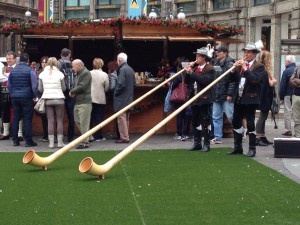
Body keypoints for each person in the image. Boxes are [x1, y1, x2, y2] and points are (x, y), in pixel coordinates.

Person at [226, 42, 264, 157]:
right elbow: (232, 80)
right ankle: (238, 147)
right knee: (236, 121)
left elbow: (254, 80)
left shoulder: (259, 66)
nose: (246, 54)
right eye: (245, 52)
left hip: (251, 98)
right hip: (239, 97)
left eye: (248, 52)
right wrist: (233, 69)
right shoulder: (241, 65)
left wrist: (244, 68)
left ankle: (252, 149)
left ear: (254, 54)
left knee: (251, 122)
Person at [183, 47, 216, 152]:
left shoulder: (210, 68)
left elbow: (204, 80)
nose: (196, 58)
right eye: (196, 56)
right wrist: (188, 72)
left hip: (205, 98)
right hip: (195, 98)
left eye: (198, 56)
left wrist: (192, 72)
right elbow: (188, 82)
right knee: (195, 121)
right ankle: (197, 143)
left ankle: (206, 144)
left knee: (205, 121)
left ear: (204, 58)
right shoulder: (196, 68)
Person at [7, 53, 38, 147]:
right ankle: (28, 141)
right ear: (28, 60)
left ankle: (15, 140)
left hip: (15, 98)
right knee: (27, 119)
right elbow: (34, 85)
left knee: (16, 118)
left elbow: (9, 85)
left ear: (19, 60)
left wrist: (12, 94)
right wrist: (34, 95)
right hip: (27, 97)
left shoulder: (13, 71)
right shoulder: (30, 70)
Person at [210, 46, 237, 144]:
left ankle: (239, 131)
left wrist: (230, 94)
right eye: (217, 52)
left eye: (219, 52)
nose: (217, 53)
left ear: (225, 53)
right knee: (216, 116)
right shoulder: (216, 62)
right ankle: (218, 137)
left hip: (225, 94)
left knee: (230, 116)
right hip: (217, 94)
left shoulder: (230, 63)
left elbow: (232, 81)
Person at [38, 57, 66, 149]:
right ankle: (60, 142)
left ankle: (51, 143)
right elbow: (64, 88)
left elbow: (40, 89)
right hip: (59, 99)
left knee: (50, 121)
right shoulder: (60, 74)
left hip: (47, 99)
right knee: (59, 120)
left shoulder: (42, 74)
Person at [0, 51, 24, 141]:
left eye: (10, 59)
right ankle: (6, 132)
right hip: (5, 92)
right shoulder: (3, 68)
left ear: (15, 59)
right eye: (7, 59)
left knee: (18, 112)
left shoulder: (18, 68)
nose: (8, 60)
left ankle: (19, 133)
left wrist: (8, 76)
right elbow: (1, 79)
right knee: (5, 112)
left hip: (16, 93)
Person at [255, 50, 277, 146]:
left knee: (263, 117)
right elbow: (271, 82)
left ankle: (262, 136)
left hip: (264, 95)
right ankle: (257, 137)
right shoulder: (263, 68)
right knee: (262, 117)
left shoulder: (261, 67)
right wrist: (274, 81)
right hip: (264, 96)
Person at [69, 59, 92, 149]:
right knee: (78, 120)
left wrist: (72, 91)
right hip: (78, 101)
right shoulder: (79, 74)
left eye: (73, 66)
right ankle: (89, 136)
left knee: (84, 122)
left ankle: (85, 142)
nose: (72, 68)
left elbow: (82, 86)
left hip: (84, 101)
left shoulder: (86, 73)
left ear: (79, 65)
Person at [114, 53, 135, 143]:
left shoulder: (122, 70)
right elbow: (134, 84)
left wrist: (115, 92)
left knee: (121, 118)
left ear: (119, 61)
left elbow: (121, 84)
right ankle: (125, 136)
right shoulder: (130, 69)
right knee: (126, 118)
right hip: (129, 97)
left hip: (122, 98)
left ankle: (124, 137)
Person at [172, 57, 192, 141]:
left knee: (180, 115)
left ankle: (179, 134)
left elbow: (173, 85)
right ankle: (186, 133)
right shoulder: (191, 73)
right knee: (188, 115)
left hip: (180, 97)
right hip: (189, 96)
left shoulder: (179, 74)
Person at [89, 58, 109, 141]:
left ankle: (89, 135)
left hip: (90, 98)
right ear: (102, 64)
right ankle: (98, 136)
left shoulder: (89, 73)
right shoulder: (104, 74)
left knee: (90, 118)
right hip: (100, 98)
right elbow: (107, 87)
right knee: (99, 118)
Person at [58, 48, 75, 142]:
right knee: (71, 116)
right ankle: (70, 137)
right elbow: (73, 79)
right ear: (69, 55)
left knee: (58, 116)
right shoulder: (72, 64)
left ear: (61, 54)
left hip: (59, 92)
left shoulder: (57, 64)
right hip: (69, 92)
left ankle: (58, 137)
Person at [279, 55, 296, 136]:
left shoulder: (286, 71)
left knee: (287, 112)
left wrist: (281, 96)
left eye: (285, 61)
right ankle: (297, 130)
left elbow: (282, 85)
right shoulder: (297, 69)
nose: (284, 62)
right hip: (297, 94)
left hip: (288, 94)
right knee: (297, 112)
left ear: (289, 62)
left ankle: (288, 130)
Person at [37, 56, 49, 142]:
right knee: (43, 117)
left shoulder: (49, 72)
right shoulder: (39, 72)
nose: (44, 64)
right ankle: (45, 135)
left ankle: (49, 135)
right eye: (43, 62)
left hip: (48, 96)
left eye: (45, 62)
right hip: (41, 96)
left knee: (48, 118)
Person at [289, 66, 300, 138]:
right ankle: (298, 135)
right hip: (296, 95)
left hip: (296, 95)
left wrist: (297, 81)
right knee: (296, 118)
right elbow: (291, 81)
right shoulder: (297, 68)